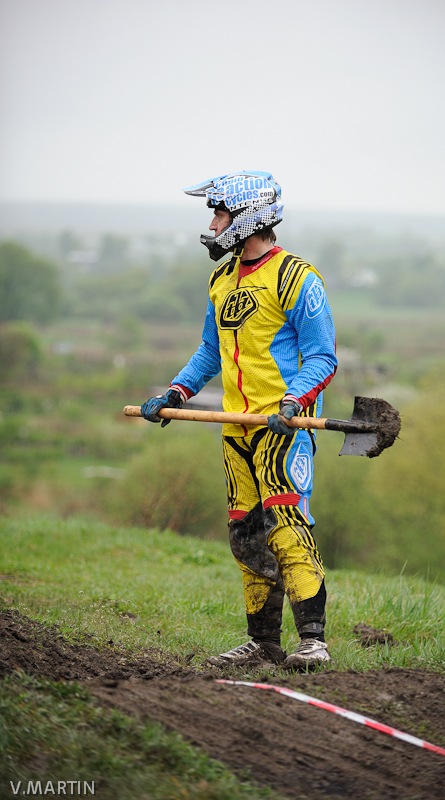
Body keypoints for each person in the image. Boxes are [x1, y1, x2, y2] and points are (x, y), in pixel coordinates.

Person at [140, 171, 337, 669]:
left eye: (220, 215)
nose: (212, 225)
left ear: (248, 217)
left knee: (286, 527)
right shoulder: (220, 279)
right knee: (245, 533)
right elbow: (211, 350)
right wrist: (177, 392)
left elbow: (322, 357)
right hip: (236, 429)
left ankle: (313, 642)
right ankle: (263, 644)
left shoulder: (297, 277)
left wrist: (293, 401)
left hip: (284, 428)